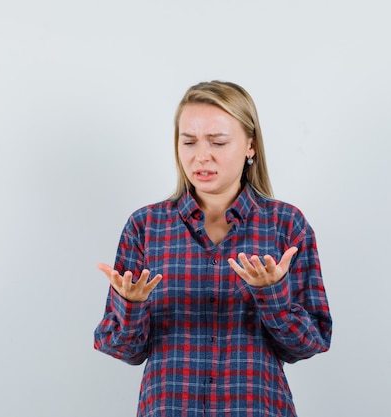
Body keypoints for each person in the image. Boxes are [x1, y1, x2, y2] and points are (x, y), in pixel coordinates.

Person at [93, 80, 332, 417]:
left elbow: (310, 344)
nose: (200, 156)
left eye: (218, 141)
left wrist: (272, 293)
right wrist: (130, 306)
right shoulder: (145, 226)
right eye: (188, 141)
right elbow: (126, 351)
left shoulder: (285, 224)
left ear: (251, 146)